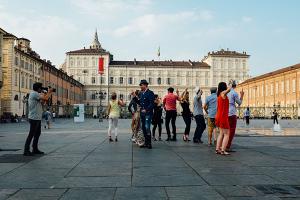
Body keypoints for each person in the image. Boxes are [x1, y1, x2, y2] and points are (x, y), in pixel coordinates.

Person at [24, 82, 53, 156]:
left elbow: (43, 102)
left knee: (37, 134)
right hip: (34, 117)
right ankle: (26, 150)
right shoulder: (34, 93)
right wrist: (49, 92)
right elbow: (46, 98)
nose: (42, 89)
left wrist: (44, 94)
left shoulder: (37, 94)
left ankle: (35, 149)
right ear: (38, 88)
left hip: (37, 117)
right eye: (41, 88)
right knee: (31, 134)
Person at [226, 80, 244, 151]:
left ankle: (222, 145)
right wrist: (242, 95)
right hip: (232, 113)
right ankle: (228, 146)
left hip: (225, 113)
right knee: (232, 130)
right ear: (235, 86)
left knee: (225, 130)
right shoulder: (234, 93)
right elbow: (239, 103)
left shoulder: (225, 93)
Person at [215, 82, 232, 155]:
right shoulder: (223, 93)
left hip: (219, 115)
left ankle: (217, 149)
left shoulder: (219, 95)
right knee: (227, 134)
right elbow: (229, 90)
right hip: (223, 116)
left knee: (221, 133)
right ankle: (223, 150)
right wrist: (230, 85)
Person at [139, 80, 155, 149]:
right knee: (144, 128)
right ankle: (146, 142)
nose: (140, 86)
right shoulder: (142, 93)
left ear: (145, 85)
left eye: (141, 85)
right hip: (142, 114)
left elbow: (152, 103)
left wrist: (146, 109)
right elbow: (140, 103)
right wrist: (134, 96)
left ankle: (149, 143)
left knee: (147, 127)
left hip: (148, 113)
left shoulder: (150, 93)